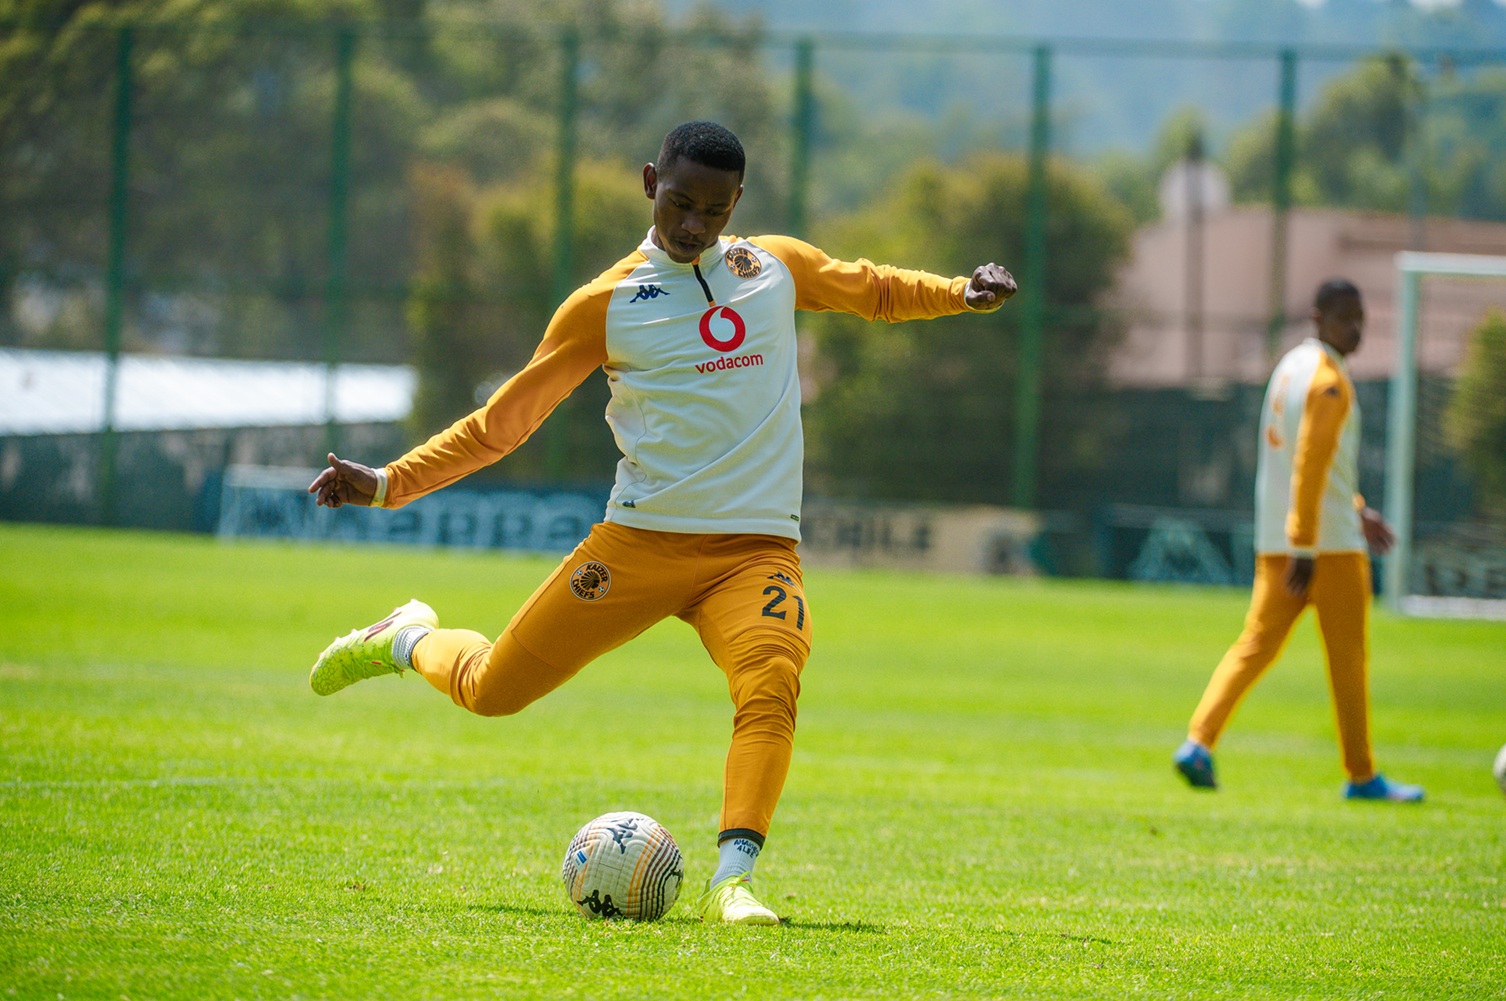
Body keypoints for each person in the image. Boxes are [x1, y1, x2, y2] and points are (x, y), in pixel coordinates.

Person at [306, 121, 1019, 924]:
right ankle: (405, 637)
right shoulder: (603, 306)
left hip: (755, 552)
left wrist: (960, 292)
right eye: (680, 202)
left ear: (736, 203)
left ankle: (732, 882)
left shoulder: (774, 267)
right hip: (638, 546)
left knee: (771, 682)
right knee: (491, 690)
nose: (693, 224)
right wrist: (388, 482)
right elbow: (502, 425)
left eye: (714, 210)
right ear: (651, 182)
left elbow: (873, 288)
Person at [1172, 279, 1423, 803]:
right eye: (1345, 317)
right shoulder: (1330, 381)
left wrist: (1357, 510)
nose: (1355, 328)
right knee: (1348, 662)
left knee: (1253, 647)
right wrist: (1307, 544)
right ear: (1318, 318)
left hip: (1276, 541)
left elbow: (1303, 465)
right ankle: (1362, 776)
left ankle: (1198, 742)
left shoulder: (1289, 368)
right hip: (1326, 549)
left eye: (1360, 318)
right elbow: (1310, 464)